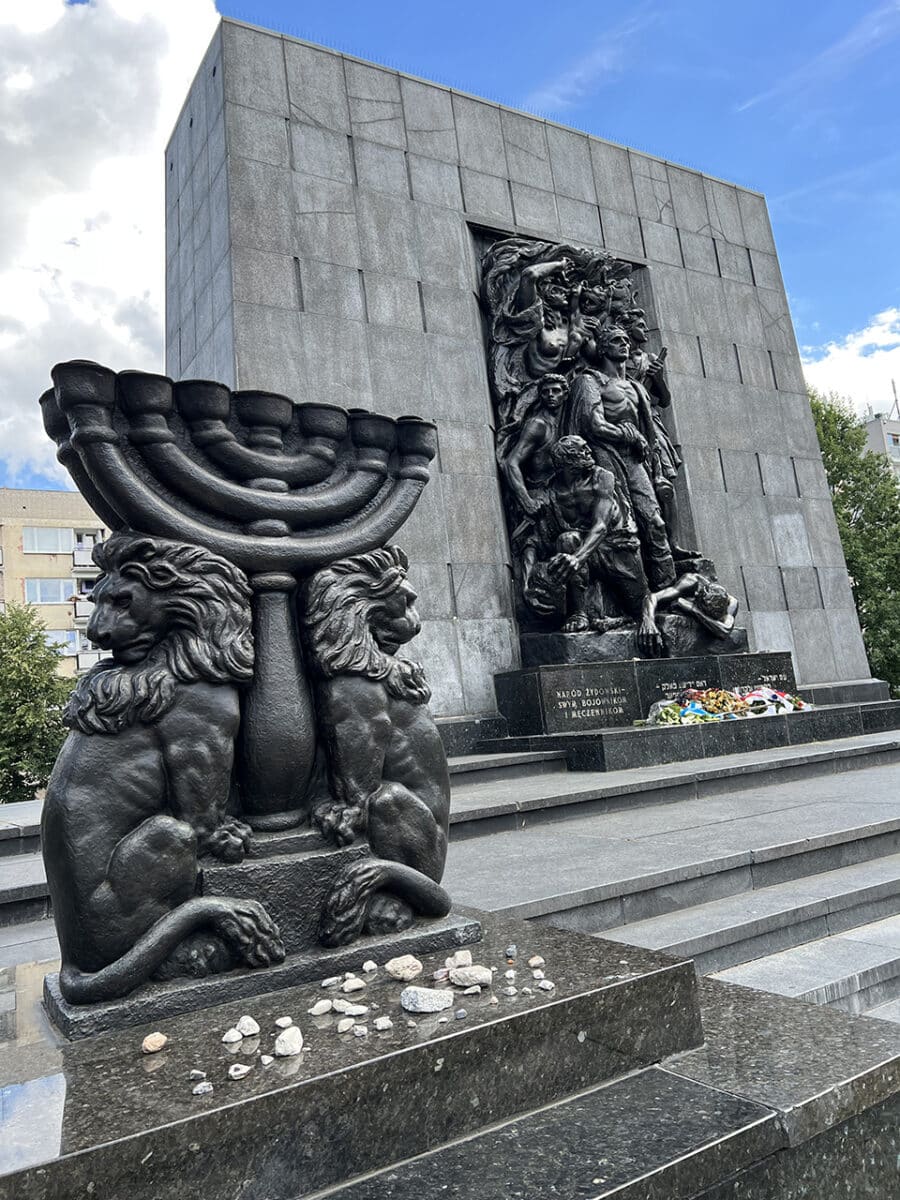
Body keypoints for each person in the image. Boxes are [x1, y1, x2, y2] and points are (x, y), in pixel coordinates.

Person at [563, 325, 676, 589]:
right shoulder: (588, 381)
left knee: (656, 523)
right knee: (620, 528)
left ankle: (666, 591)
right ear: (602, 348)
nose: (624, 343)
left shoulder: (636, 387)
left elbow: (649, 432)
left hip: (636, 461)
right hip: (604, 457)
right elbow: (592, 423)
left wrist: (655, 465)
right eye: (616, 340)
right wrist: (628, 435)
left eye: (626, 339)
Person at [527, 436, 663, 654]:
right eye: (582, 450)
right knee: (566, 540)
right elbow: (536, 539)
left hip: (618, 547)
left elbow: (601, 525)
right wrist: (528, 581)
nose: (589, 451)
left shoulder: (603, 478)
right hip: (583, 550)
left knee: (639, 604)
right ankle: (578, 612)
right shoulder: (553, 491)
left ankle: (621, 616)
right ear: (566, 462)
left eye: (586, 447)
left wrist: (577, 558)